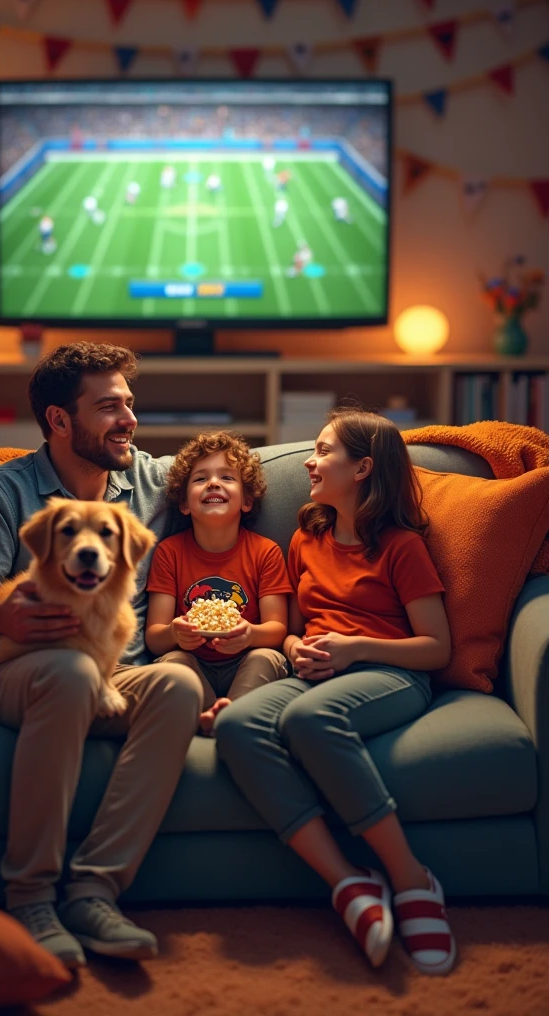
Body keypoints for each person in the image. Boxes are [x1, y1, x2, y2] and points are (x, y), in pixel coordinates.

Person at [0, 342, 203, 968]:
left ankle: (94, 890)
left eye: (130, 405)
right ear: (60, 420)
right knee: (69, 669)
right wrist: (1, 614)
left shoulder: (153, 482)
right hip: (18, 674)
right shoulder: (2, 492)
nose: (129, 421)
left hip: (115, 676)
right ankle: (30, 895)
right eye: (108, 407)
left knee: (179, 687)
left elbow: (227, 475)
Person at [216, 405, 457, 976]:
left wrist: (356, 648)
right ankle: (348, 882)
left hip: (390, 673)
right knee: (237, 725)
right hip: (317, 671)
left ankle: (409, 877)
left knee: (309, 720)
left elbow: (437, 648)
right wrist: (295, 648)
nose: (309, 460)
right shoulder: (306, 536)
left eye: (324, 451)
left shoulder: (401, 547)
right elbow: (299, 626)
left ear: (364, 468)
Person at [145, 432, 291, 735]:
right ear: (184, 504)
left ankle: (225, 720)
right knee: (172, 660)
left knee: (266, 657)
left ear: (247, 500)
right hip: (193, 665)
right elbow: (155, 638)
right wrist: (175, 632)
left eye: (227, 477)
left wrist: (249, 635)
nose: (213, 483)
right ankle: (217, 718)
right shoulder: (169, 552)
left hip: (247, 662)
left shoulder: (266, 552)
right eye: (200, 479)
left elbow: (277, 631)